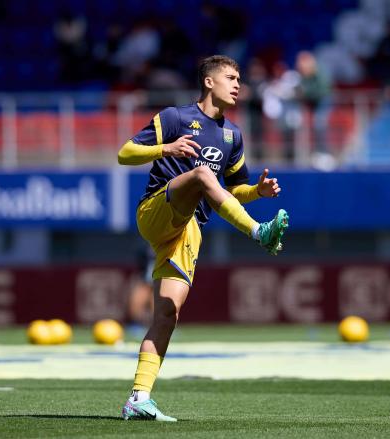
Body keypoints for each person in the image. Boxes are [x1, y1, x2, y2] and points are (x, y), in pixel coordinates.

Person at [117, 55, 289, 422]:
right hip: (156, 209)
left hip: (188, 231)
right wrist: (166, 148)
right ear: (209, 82)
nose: (238, 84)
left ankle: (138, 398)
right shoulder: (175, 118)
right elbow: (125, 153)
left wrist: (256, 191)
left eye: (240, 78)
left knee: (167, 312)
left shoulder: (233, 135)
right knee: (199, 174)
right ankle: (259, 231)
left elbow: (231, 190)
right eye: (230, 77)